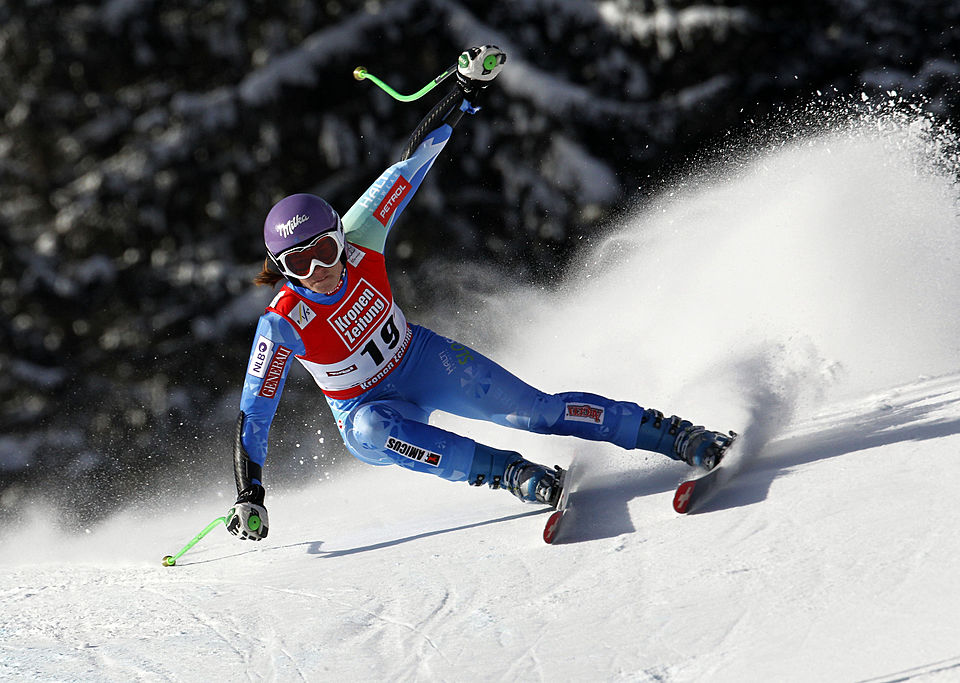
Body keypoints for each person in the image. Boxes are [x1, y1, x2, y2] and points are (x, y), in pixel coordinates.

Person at [226, 46, 733, 541]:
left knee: (537, 412)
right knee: (370, 431)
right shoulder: (282, 321)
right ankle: (509, 473)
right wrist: (250, 493)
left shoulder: (363, 234)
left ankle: (677, 436)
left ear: (341, 235)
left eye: (324, 251)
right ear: (282, 270)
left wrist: (464, 91)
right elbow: (255, 413)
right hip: (368, 410)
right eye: (298, 263)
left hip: (418, 360)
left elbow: (412, 160)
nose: (318, 270)